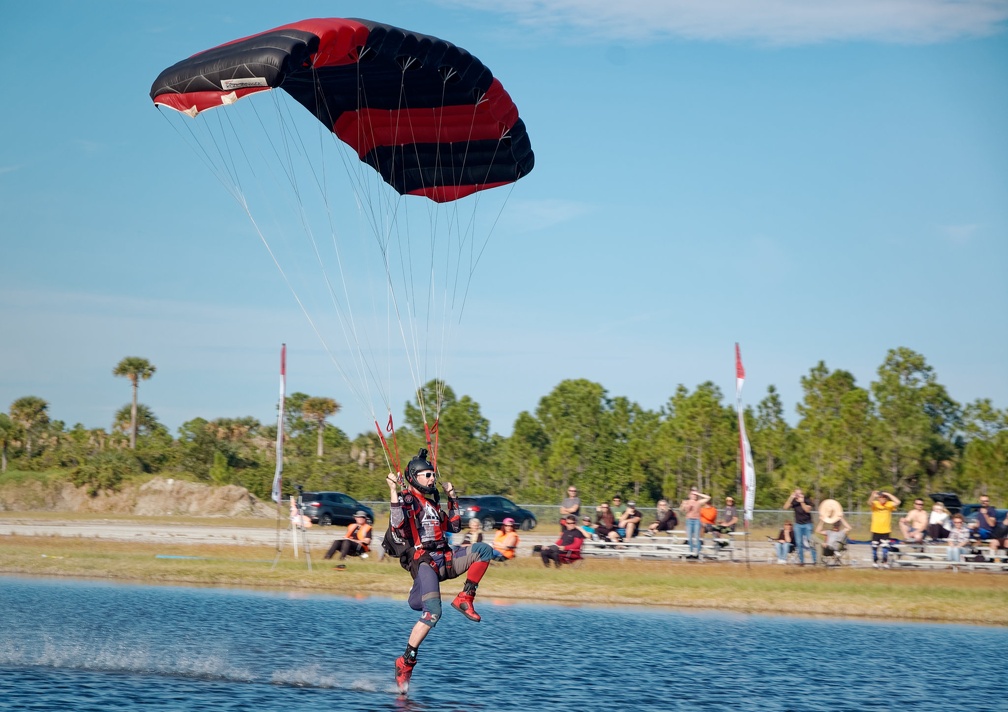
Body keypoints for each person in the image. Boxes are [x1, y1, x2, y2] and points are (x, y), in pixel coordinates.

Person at [386, 449, 496, 694]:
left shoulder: (433, 504)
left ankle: (465, 597)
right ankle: (406, 661)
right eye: (427, 475)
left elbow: (455, 525)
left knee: (484, 550)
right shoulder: (408, 501)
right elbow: (396, 524)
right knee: (432, 611)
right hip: (425, 562)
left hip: (445, 559)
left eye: (432, 474)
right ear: (414, 477)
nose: (432, 478)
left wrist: (452, 496)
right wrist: (393, 491)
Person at [868, 490, 901, 569]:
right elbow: (869, 502)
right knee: (875, 547)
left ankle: (885, 562)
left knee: (885, 547)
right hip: (876, 529)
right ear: (879, 498)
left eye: (884, 498)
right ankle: (875, 561)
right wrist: (873, 495)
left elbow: (898, 502)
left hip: (885, 530)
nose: (882, 499)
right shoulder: (875, 503)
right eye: (881, 497)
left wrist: (888, 494)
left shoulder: (889, 504)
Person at [783, 488, 816, 565]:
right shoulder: (794, 501)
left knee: (811, 542)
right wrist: (791, 497)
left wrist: (802, 502)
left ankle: (815, 561)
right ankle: (801, 561)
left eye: (799, 494)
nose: (798, 496)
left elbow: (807, 510)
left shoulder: (807, 500)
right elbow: (785, 507)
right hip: (798, 525)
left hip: (807, 524)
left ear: (802, 494)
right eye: (796, 494)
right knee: (799, 543)